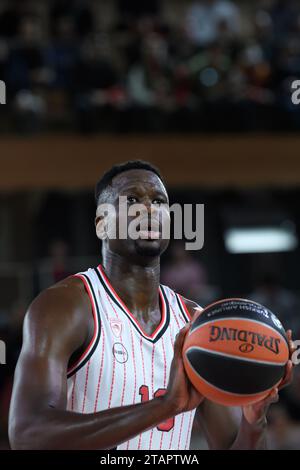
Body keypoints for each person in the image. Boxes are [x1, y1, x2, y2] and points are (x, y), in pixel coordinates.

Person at [9, 160, 294, 450]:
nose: (148, 209)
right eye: (132, 199)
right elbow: (28, 435)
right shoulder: (65, 306)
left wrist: (254, 416)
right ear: (102, 223)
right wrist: (165, 406)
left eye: (159, 201)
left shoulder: (196, 324)